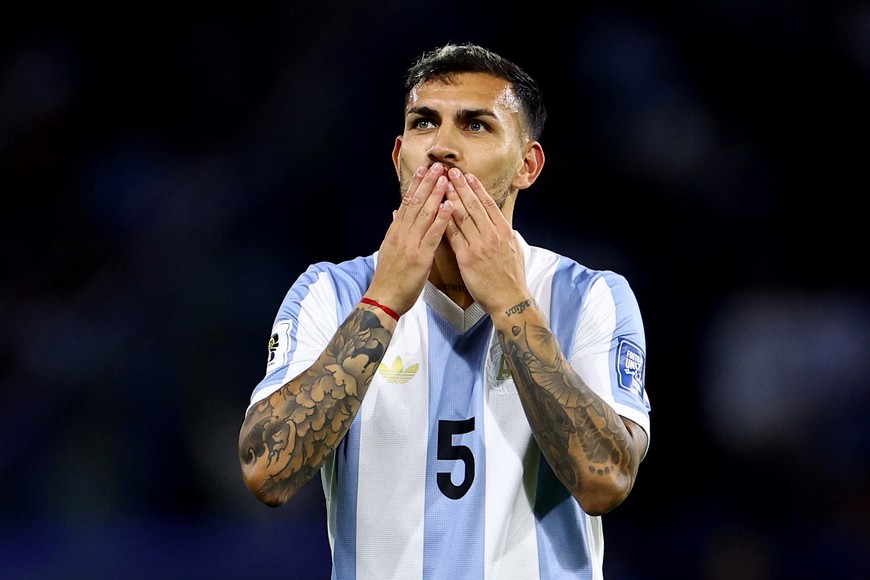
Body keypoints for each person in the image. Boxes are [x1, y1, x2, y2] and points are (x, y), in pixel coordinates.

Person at [238, 42, 651, 579]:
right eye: (424, 123)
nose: (442, 147)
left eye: (476, 125)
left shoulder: (589, 296)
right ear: (398, 155)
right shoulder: (330, 294)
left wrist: (510, 303)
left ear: (528, 164)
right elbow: (267, 473)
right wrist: (382, 303)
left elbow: (606, 482)